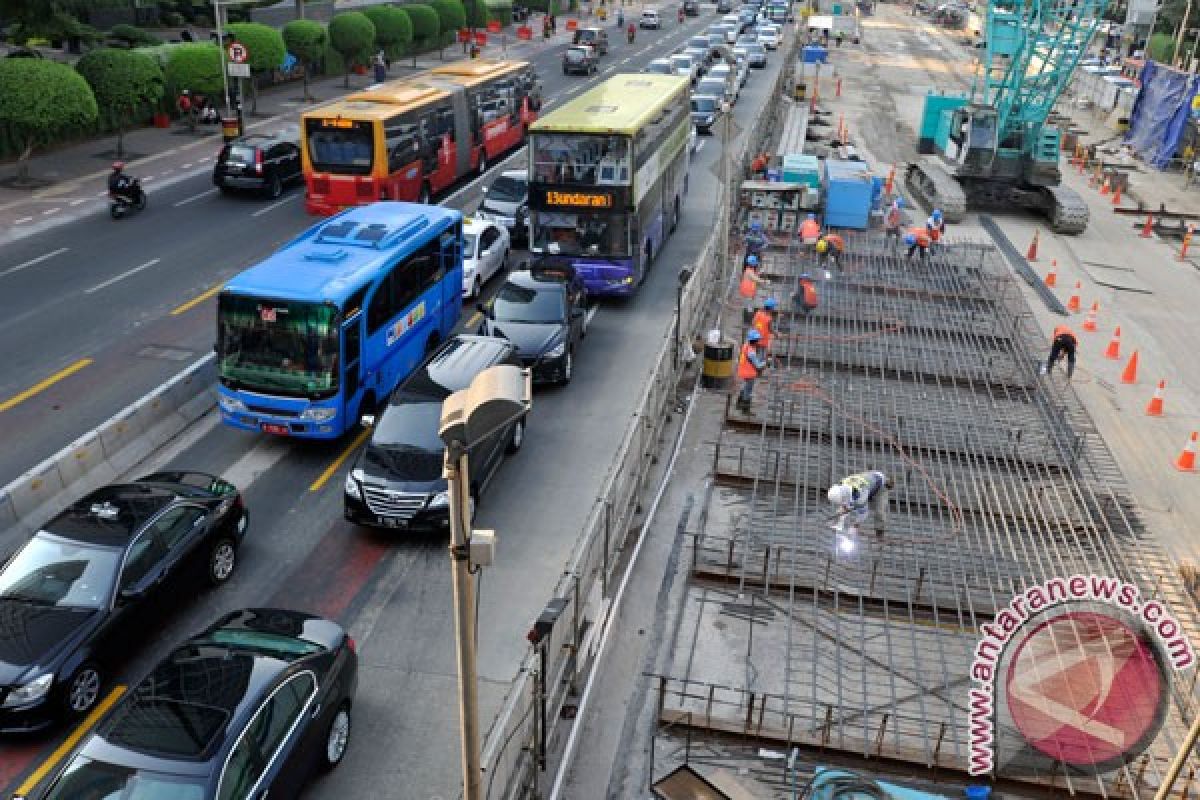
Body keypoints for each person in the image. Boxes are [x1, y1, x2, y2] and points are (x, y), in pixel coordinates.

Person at [828, 470, 893, 544]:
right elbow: (844, 505)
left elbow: (863, 513)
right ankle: (836, 523)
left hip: (881, 486)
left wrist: (855, 526)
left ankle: (879, 534)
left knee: (879, 512)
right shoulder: (842, 484)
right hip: (869, 480)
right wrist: (839, 519)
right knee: (845, 508)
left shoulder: (860, 496)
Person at [736, 329, 770, 412]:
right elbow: (758, 366)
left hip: (742, 371)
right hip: (749, 374)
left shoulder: (746, 345)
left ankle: (739, 404)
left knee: (744, 387)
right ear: (754, 341)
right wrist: (766, 363)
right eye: (757, 339)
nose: (758, 341)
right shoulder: (751, 352)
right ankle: (745, 409)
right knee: (748, 391)